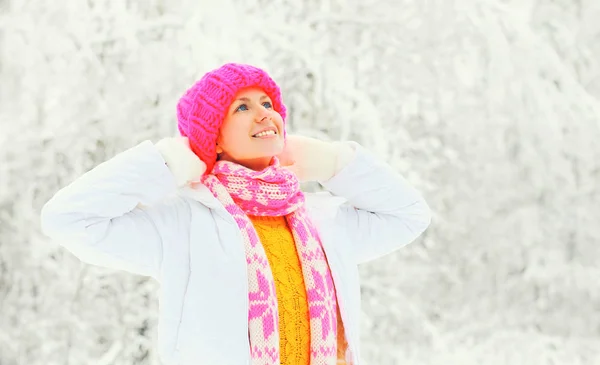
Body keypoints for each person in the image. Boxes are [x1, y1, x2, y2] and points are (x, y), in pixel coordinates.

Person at [40, 63, 432, 365]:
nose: (264, 114)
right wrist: (166, 163)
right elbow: (69, 218)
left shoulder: (324, 223)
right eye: (242, 107)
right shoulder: (184, 226)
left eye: (267, 104)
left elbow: (409, 215)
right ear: (213, 137)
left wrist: (335, 163)